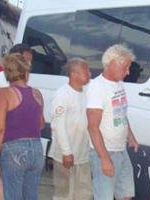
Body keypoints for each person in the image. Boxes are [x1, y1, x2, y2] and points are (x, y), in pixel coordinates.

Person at [86, 44, 139, 200]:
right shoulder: (97, 88)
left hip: (120, 149)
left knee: (126, 195)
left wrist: (131, 136)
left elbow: (121, 113)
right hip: (104, 151)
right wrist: (104, 159)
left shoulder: (119, 84)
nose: (128, 72)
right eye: (126, 67)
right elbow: (93, 128)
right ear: (113, 63)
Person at [0, 53, 45, 200]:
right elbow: (41, 124)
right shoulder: (37, 93)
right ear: (26, 71)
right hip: (37, 148)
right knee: (31, 194)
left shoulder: (3, 93)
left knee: (13, 195)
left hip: (14, 148)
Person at [49, 59, 92, 200]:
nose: (90, 74)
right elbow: (58, 125)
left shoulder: (87, 92)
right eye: (86, 71)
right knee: (63, 194)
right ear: (74, 74)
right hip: (65, 156)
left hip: (82, 155)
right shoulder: (62, 94)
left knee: (84, 194)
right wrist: (66, 152)